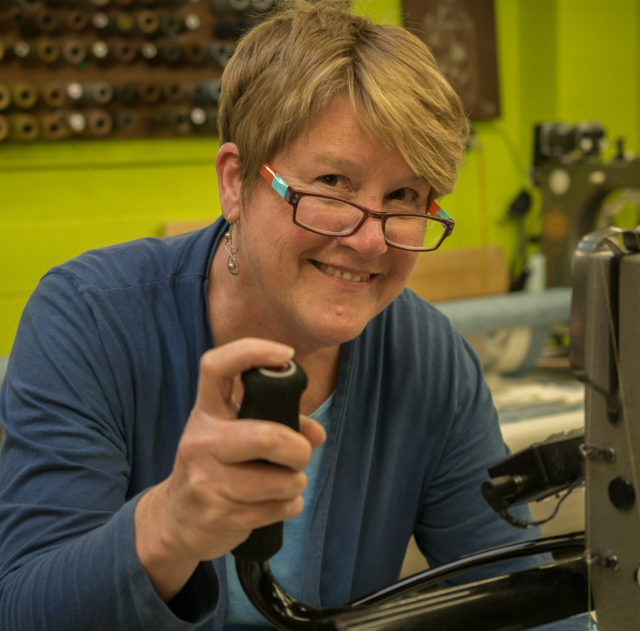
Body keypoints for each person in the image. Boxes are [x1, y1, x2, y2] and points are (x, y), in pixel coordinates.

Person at [0, 1, 591, 629]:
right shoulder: (91, 322)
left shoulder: (426, 357)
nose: (370, 240)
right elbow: (23, 608)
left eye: (403, 196)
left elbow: (518, 595)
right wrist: (167, 527)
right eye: (333, 183)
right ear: (235, 183)